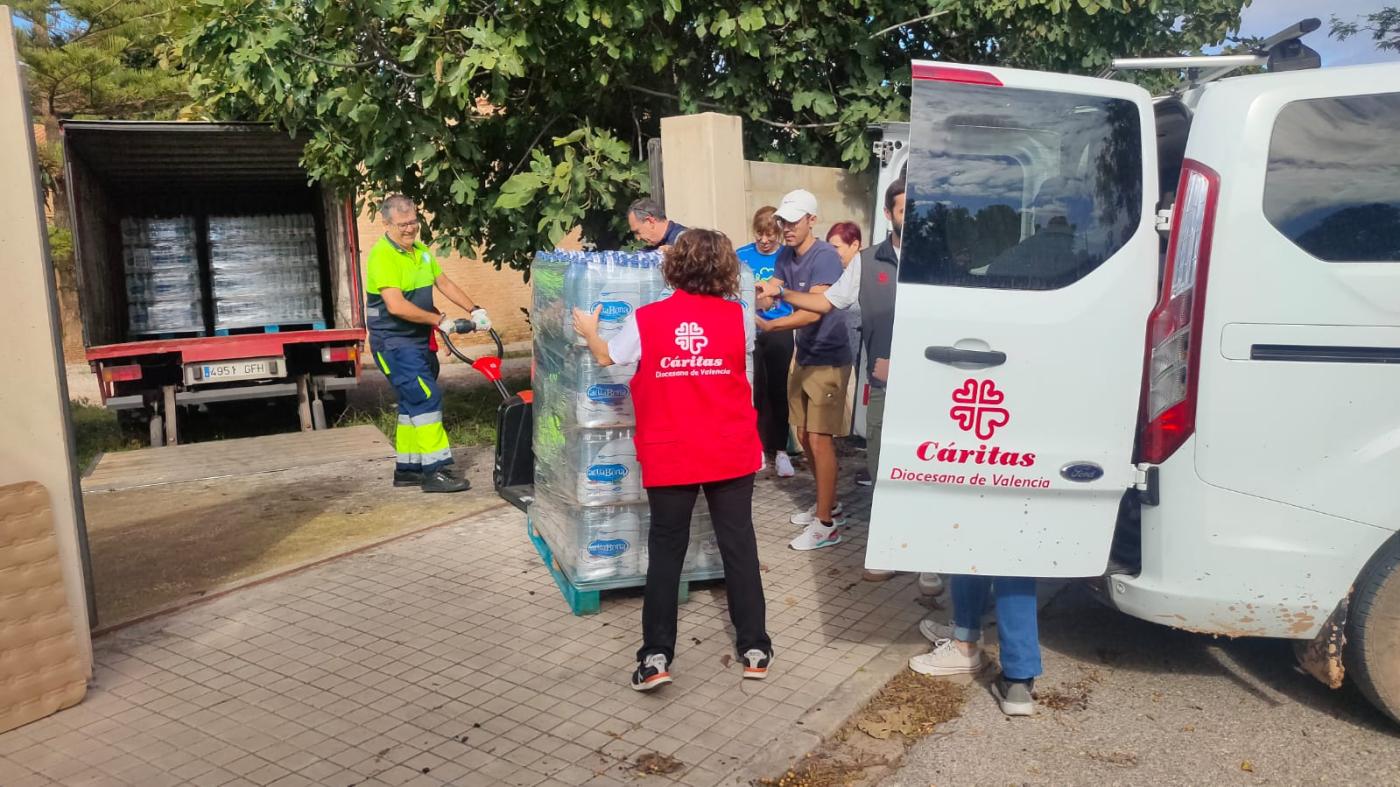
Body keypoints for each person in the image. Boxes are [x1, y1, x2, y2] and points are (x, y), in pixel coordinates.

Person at [574, 229, 773, 692]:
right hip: (729, 448)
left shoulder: (647, 319)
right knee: (739, 546)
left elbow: (607, 357)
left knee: (666, 552)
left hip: (672, 450)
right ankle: (755, 648)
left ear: (673, 269)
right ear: (726, 270)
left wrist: (589, 330)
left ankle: (656, 656)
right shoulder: (738, 317)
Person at [757, 179, 942, 592]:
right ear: (889, 214)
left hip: (932, 384)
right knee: (882, 467)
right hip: (884, 384)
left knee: (927, 468)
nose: (910, 217)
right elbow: (826, 302)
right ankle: (892, 547)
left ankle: (928, 556)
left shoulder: (941, 259)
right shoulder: (866, 262)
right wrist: (782, 292)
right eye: (902, 209)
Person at [365, 194, 490, 493]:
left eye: (413, 222)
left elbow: (443, 283)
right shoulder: (382, 256)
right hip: (394, 344)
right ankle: (436, 471)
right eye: (403, 224)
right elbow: (396, 306)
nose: (410, 229)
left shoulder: (420, 252)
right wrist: (439, 321)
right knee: (426, 399)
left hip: (418, 342)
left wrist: (475, 310)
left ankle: (408, 470)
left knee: (412, 404)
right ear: (386, 224)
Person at [756, 189, 852, 552]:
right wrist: (760, 296)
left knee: (819, 438)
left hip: (829, 357)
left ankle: (826, 525)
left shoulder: (825, 256)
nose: (786, 228)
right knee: (802, 432)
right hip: (805, 354)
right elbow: (776, 289)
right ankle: (828, 504)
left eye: (793, 221)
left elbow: (815, 309)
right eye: (783, 221)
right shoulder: (785, 253)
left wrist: (771, 322)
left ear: (812, 220)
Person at [737, 207, 797, 478]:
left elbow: (795, 292)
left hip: (780, 328)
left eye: (770, 235)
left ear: (779, 234)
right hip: (751, 329)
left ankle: (781, 450)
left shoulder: (788, 256)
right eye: (759, 234)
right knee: (754, 390)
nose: (764, 240)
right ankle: (757, 448)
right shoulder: (741, 255)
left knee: (778, 390)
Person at [824, 222, 864, 386]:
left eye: (836, 247)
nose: (831, 253)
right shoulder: (834, 272)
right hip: (839, 356)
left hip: (863, 356)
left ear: (854, 245)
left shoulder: (867, 271)